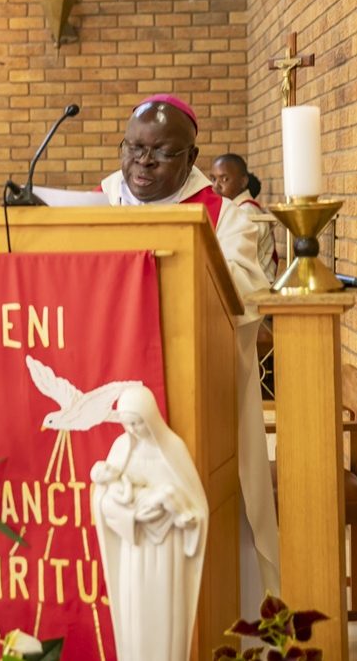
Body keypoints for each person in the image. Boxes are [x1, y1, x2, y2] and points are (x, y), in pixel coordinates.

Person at [99, 94, 280, 620]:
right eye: (133, 148)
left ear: (191, 155)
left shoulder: (227, 215)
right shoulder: (100, 201)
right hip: (108, 394)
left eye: (161, 151)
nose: (143, 162)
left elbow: (243, 294)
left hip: (196, 397)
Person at [91, 385, 208, 661]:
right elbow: (102, 501)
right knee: (137, 618)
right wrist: (132, 514)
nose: (132, 430)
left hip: (168, 551)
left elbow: (198, 508)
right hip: (135, 549)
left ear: (150, 417)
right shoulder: (121, 449)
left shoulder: (173, 449)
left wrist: (184, 519)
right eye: (127, 424)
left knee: (166, 616)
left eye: (137, 423)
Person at [211, 153, 278, 283]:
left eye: (224, 179)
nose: (216, 186)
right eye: (213, 179)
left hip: (255, 289)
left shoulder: (246, 211)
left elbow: (234, 261)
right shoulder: (234, 209)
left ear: (243, 181)